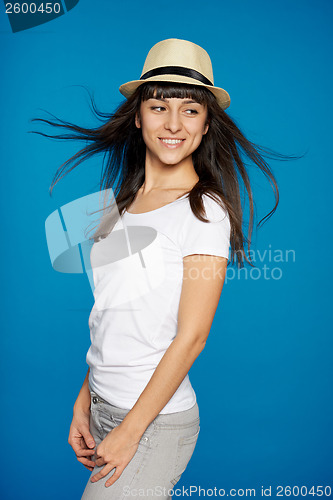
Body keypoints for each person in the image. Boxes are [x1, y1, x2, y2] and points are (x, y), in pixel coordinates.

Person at [31, 38, 298, 498]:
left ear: (207, 123)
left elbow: (192, 336)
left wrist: (132, 431)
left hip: (151, 422)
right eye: (158, 107)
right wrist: (85, 398)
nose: (173, 123)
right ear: (138, 117)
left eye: (191, 111)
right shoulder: (120, 206)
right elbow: (117, 314)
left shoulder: (204, 212)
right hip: (102, 407)